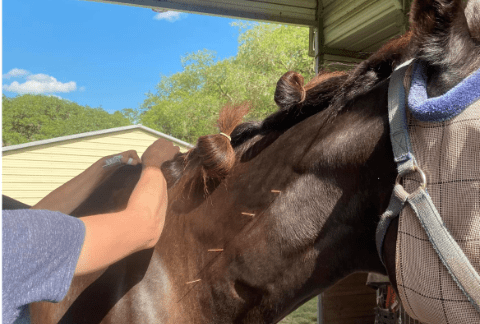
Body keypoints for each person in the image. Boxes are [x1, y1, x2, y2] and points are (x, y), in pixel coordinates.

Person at [2, 138, 179, 324]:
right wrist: (154, 165)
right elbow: (144, 227)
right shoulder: (10, 241)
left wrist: (103, 166)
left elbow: (32, 219)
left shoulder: (11, 234)